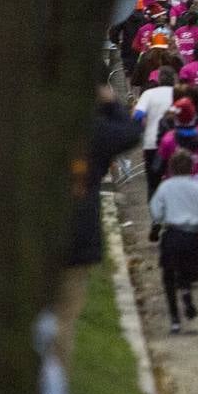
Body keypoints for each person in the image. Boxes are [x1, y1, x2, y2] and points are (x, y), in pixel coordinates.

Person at [57, 86, 143, 368]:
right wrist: (111, 104)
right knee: (65, 317)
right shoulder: (91, 129)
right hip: (78, 229)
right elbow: (130, 133)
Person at [149, 151, 198, 334]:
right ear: (191, 168)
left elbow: (156, 210)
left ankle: (175, 319)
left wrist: (159, 220)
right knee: (187, 271)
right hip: (192, 235)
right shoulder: (197, 187)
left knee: (168, 275)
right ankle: (186, 292)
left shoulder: (165, 186)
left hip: (172, 233)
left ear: (170, 168)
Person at [133, 66, 178, 200]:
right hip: (175, 143)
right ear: (174, 79)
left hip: (152, 142)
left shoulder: (149, 94)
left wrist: (144, 127)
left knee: (153, 181)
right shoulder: (179, 93)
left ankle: (155, 215)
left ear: (159, 79)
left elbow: (138, 115)